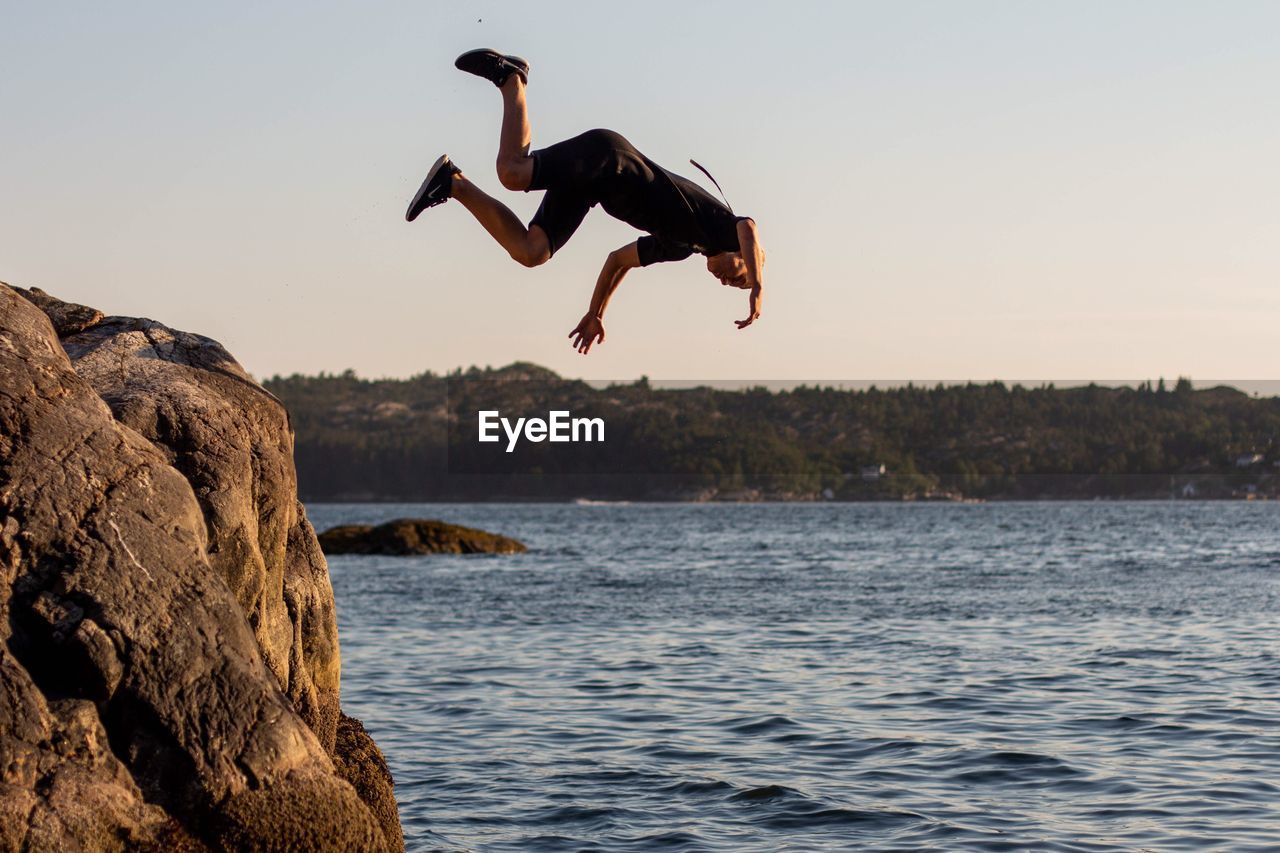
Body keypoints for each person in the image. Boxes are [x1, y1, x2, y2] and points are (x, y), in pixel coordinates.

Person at [406, 49, 765, 355]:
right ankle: (512, 80)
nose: (725, 283)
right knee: (512, 173)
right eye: (737, 279)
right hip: (607, 160)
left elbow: (617, 262)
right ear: (740, 255)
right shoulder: (722, 226)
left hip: (591, 189)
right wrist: (758, 290)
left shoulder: (681, 247)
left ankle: (452, 183)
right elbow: (748, 228)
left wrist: (596, 313)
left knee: (531, 252)